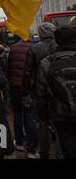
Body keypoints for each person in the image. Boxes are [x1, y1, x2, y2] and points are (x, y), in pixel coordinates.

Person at [35, 26, 76, 159]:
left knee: (67, 147)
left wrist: (44, 117)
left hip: (61, 113)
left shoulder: (47, 62)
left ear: (56, 41)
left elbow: (41, 94)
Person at [22, 22, 57, 159]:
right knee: (58, 118)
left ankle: (39, 151)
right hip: (57, 88)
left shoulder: (34, 48)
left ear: (41, 34)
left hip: (39, 88)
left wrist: (25, 91)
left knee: (40, 120)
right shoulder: (58, 46)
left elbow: (28, 72)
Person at [7, 33, 35, 156]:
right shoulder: (34, 48)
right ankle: (31, 149)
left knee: (18, 114)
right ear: (31, 36)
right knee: (31, 117)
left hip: (15, 87)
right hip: (30, 88)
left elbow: (8, 68)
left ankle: (19, 142)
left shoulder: (12, 48)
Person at [0, 42, 10, 107]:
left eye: (1, 48)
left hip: (6, 79)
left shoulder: (7, 58)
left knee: (6, 95)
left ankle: (6, 107)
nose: (0, 49)